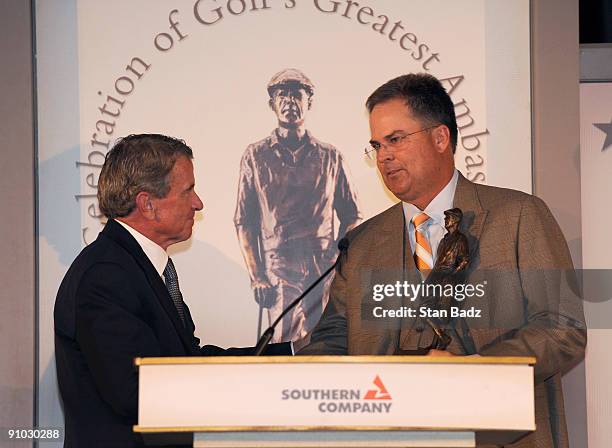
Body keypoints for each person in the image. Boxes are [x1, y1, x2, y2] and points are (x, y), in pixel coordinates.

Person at [299, 74, 586, 447]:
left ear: (440, 138)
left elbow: (563, 328)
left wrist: (475, 372)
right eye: (376, 145)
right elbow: (334, 341)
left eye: (395, 140)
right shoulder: (363, 242)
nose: (384, 156)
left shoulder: (518, 216)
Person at [54, 134, 290, 448]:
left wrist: (291, 354)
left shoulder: (136, 266)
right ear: (147, 204)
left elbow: (188, 363)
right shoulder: (106, 275)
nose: (198, 203)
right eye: (188, 191)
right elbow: (137, 393)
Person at [234, 68, 361, 343]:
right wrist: (257, 276)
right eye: (282, 95)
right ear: (272, 104)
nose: (290, 102)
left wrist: (338, 257)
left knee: (327, 340)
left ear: (309, 102)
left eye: (297, 95)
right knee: (283, 340)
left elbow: (352, 214)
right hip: (279, 267)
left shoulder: (331, 156)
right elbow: (244, 220)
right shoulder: (256, 156)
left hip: (323, 266)